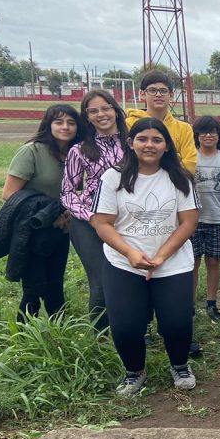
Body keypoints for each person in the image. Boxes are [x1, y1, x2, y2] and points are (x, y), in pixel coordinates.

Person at [91, 118, 200, 396]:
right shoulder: (113, 177)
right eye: (142, 139)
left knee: (177, 321)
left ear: (166, 146)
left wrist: (161, 256)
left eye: (156, 140)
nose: (149, 145)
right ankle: (134, 371)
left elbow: (189, 222)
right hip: (124, 263)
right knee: (126, 324)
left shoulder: (179, 178)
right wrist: (130, 253)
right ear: (130, 143)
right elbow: (102, 222)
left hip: (172, 262)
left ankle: (179, 364)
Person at [0, 104, 82, 318]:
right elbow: (9, 194)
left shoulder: (76, 154)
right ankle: (25, 340)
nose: (65, 127)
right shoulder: (32, 151)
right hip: (32, 229)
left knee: (55, 285)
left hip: (61, 229)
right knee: (33, 289)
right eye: (59, 121)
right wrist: (49, 213)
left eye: (71, 122)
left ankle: (60, 337)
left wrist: (69, 213)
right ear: (48, 124)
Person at [62, 91, 127, 331]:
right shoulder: (78, 151)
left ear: (115, 110)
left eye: (106, 108)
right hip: (88, 222)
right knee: (100, 283)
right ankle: (101, 337)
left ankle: (132, 328)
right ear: (87, 117)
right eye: (93, 111)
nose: (101, 114)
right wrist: (90, 216)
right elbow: (68, 192)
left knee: (130, 277)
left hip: (127, 220)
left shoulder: (133, 144)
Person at [190, 116, 220, 326]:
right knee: (192, 263)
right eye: (203, 132)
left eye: (213, 132)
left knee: (213, 262)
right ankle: (189, 305)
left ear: (219, 136)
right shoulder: (190, 158)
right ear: (197, 135)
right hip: (191, 220)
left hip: (218, 219)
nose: (208, 135)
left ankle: (211, 303)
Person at [126, 70, 197, 173]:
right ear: (142, 94)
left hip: (174, 185)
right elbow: (128, 160)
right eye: (152, 90)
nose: (158, 95)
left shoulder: (184, 129)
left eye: (163, 91)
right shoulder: (129, 124)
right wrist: (174, 157)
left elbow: (190, 164)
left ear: (171, 95)